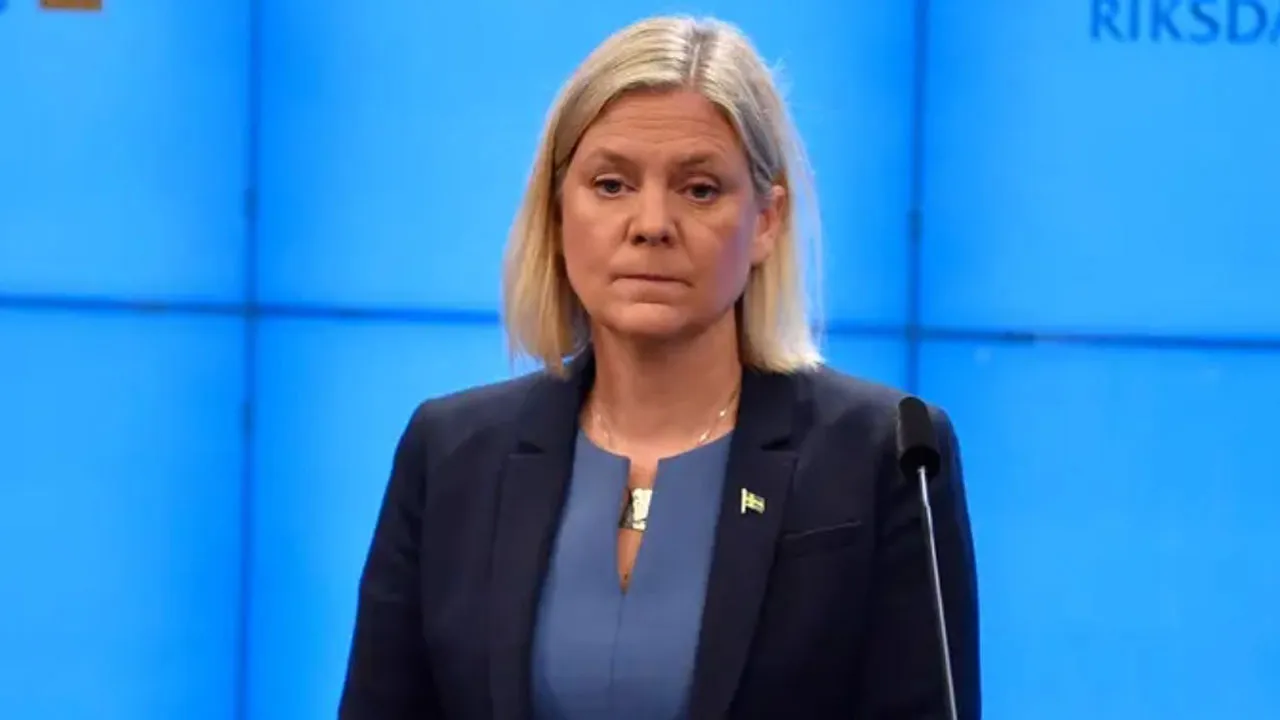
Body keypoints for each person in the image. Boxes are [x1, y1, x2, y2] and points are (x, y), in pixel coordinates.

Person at [339, 14, 980, 720]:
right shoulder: (451, 453)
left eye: (699, 189)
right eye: (611, 184)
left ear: (766, 220)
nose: (651, 224)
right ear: (557, 210)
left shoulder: (885, 454)